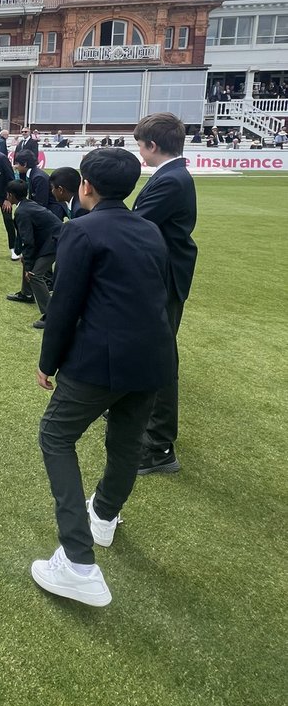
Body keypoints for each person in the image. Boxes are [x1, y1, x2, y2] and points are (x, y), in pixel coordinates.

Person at [31, 148, 175, 607]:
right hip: (154, 358)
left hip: (102, 360)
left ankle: (77, 560)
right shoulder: (150, 229)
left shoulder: (81, 229)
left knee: (55, 435)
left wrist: (47, 362)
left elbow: (64, 303)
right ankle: (104, 518)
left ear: (85, 186)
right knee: (126, 442)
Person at [132, 112, 198, 475]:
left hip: (166, 278)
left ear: (152, 145)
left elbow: (137, 225)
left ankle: (159, 447)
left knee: (162, 358)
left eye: (141, 144)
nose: (139, 151)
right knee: (155, 353)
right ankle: (146, 426)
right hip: (165, 274)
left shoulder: (170, 180)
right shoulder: (172, 175)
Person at [5, 180, 62, 303]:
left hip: (55, 242)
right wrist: (23, 254)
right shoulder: (28, 204)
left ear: (10, 195)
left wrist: (28, 269)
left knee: (34, 275)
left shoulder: (22, 212)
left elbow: (28, 241)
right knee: (27, 259)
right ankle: (27, 294)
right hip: (51, 239)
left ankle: (50, 314)